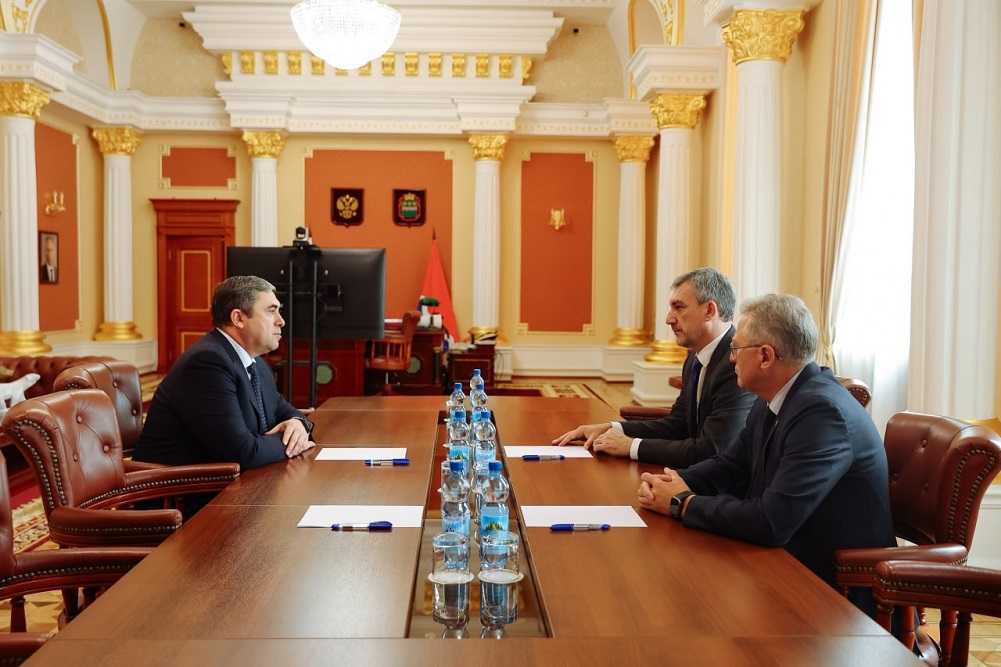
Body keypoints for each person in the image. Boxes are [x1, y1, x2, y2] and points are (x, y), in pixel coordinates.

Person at [637, 293, 894, 614]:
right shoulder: (776, 396)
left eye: (735, 349)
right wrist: (673, 482)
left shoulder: (822, 413)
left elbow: (773, 521)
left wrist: (682, 503)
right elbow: (731, 465)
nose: (731, 360)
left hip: (835, 597)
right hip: (786, 565)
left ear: (765, 356)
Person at [552, 267, 755, 467]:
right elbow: (678, 424)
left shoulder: (737, 363)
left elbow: (712, 449)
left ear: (709, 310)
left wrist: (631, 446)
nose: (668, 319)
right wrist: (612, 428)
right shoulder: (695, 355)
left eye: (679, 307)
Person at [134, 275, 315, 470]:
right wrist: (293, 442)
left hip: (237, 479)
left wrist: (297, 423)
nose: (281, 321)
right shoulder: (207, 363)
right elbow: (242, 452)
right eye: (271, 311)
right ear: (238, 318)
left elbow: (285, 411)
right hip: (181, 485)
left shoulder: (257, 364)